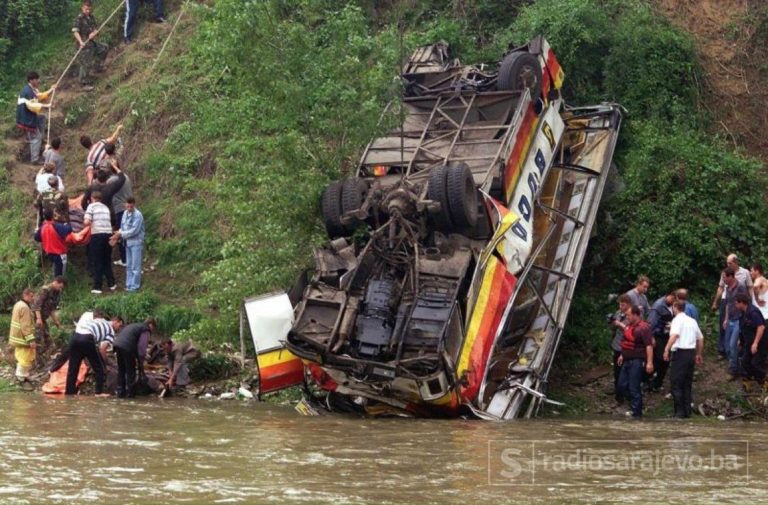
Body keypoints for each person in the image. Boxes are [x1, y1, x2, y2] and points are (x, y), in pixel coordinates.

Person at [663, 300, 704, 418]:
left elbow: (674, 335)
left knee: (676, 382)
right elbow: (700, 339)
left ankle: (679, 412)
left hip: (680, 353)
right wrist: (698, 354)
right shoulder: (692, 321)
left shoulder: (676, 320)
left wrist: (666, 349)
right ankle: (687, 412)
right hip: (691, 353)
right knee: (687, 383)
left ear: (675, 307)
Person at [65, 314, 124, 395]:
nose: (119, 329)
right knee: (99, 369)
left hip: (75, 336)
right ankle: (98, 393)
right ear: (116, 321)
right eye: (120, 326)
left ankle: (69, 394)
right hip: (87, 339)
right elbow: (102, 349)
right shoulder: (111, 331)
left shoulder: (101, 320)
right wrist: (106, 363)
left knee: (73, 369)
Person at [616, 305, 654, 419]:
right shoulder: (629, 326)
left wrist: (649, 362)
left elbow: (649, 346)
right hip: (627, 360)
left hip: (637, 361)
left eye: (628, 315)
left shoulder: (644, 328)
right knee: (621, 385)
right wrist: (622, 355)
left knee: (634, 387)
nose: (626, 317)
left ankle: (637, 413)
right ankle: (633, 406)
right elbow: (626, 342)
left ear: (636, 315)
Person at [712, 254, 754, 357]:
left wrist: (752, 302)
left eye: (730, 263)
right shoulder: (725, 273)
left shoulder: (745, 273)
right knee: (724, 323)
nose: (728, 265)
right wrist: (715, 302)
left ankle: (738, 349)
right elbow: (720, 287)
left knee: (739, 324)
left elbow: (750, 287)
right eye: (727, 263)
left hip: (740, 301)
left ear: (736, 262)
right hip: (726, 300)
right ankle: (723, 349)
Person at [16, 71, 55, 165]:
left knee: (42, 118)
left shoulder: (32, 89)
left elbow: (39, 96)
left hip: (28, 116)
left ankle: (40, 137)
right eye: (36, 79)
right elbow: (32, 105)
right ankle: (35, 159)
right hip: (26, 119)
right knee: (35, 137)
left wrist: (51, 90)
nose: (38, 81)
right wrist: (46, 106)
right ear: (31, 80)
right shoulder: (27, 92)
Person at [113, 318, 156, 398]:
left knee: (121, 370)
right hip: (127, 347)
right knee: (131, 371)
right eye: (153, 328)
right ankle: (130, 394)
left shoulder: (134, 326)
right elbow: (142, 347)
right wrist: (141, 361)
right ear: (150, 325)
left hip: (118, 345)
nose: (152, 330)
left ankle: (120, 392)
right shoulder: (145, 329)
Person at [84, 191, 117, 294]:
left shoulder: (91, 206)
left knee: (97, 261)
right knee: (106, 260)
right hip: (108, 235)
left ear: (92, 198)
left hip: (97, 235)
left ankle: (97, 287)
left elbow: (86, 221)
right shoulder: (106, 208)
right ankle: (112, 284)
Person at [72, 0, 108, 89]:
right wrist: (80, 42)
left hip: (91, 43)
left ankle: (98, 66)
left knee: (104, 48)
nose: (87, 11)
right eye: (86, 9)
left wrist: (95, 33)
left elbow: (96, 29)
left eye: (89, 9)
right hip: (83, 46)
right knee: (86, 63)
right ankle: (83, 84)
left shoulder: (91, 17)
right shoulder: (79, 18)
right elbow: (75, 32)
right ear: (82, 8)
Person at [111, 197, 145, 292]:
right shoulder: (125, 213)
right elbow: (122, 227)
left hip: (136, 243)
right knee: (129, 265)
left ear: (134, 204)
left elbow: (134, 231)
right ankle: (128, 285)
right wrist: (116, 235)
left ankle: (135, 286)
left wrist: (121, 234)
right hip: (127, 243)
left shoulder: (138, 215)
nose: (129, 207)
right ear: (125, 204)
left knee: (135, 265)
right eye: (128, 205)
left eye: (131, 205)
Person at [722, 267, 749, 378]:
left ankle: (734, 370)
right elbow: (728, 304)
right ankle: (736, 365)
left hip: (739, 320)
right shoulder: (727, 288)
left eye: (725, 277)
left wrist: (744, 319)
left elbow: (747, 303)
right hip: (730, 319)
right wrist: (726, 319)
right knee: (727, 345)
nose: (723, 279)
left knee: (733, 344)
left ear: (731, 276)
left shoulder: (741, 287)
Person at [735, 293, 767, 384]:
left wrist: (756, 343)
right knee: (745, 362)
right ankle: (749, 381)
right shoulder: (743, 313)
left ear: (742, 303)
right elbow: (743, 329)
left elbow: (761, 327)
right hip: (749, 342)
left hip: (760, 342)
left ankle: (764, 381)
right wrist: (740, 341)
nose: (735, 305)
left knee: (755, 363)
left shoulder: (753, 312)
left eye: (736, 303)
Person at [646, 292, 675, 392]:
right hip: (658, 336)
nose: (673, 303)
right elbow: (650, 323)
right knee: (658, 359)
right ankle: (647, 381)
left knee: (665, 360)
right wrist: (651, 337)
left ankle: (657, 383)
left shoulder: (672, 305)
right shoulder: (659, 306)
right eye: (673, 300)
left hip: (668, 336)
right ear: (669, 296)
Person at [8, 289, 36, 383]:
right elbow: (25, 325)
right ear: (25, 295)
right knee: (26, 356)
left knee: (21, 355)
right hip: (22, 337)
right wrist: (31, 339)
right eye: (31, 296)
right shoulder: (25, 307)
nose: (33, 298)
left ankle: (23, 375)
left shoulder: (18, 304)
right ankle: (21, 376)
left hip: (16, 336)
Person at [31, 277, 65, 354]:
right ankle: (37, 359)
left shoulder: (56, 293)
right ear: (55, 282)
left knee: (48, 339)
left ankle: (47, 357)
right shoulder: (45, 290)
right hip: (36, 318)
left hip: (43, 319)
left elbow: (52, 309)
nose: (60, 289)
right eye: (60, 287)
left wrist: (57, 322)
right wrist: (39, 319)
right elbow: (37, 305)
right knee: (38, 339)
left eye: (62, 288)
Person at [34, 209, 72, 277]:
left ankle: (55, 283)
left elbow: (36, 237)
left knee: (56, 271)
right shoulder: (57, 226)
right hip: (59, 254)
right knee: (60, 275)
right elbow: (69, 229)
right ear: (53, 216)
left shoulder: (42, 228)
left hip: (50, 254)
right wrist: (66, 223)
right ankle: (59, 285)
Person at [608, 294, 631, 403]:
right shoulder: (618, 313)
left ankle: (626, 393)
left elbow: (631, 330)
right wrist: (611, 322)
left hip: (627, 346)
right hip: (617, 345)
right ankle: (619, 396)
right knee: (617, 372)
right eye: (620, 305)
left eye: (623, 305)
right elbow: (612, 328)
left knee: (626, 372)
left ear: (628, 305)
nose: (621, 307)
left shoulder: (632, 315)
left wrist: (620, 324)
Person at [111, 169, 133, 267]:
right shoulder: (126, 176)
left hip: (120, 208)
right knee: (127, 232)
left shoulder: (113, 180)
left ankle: (125, 259)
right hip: (129, 207)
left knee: (120, 234)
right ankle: (129, 257)